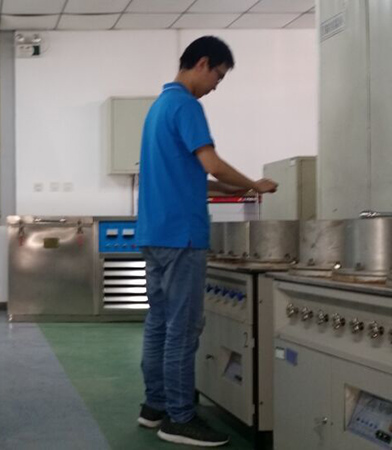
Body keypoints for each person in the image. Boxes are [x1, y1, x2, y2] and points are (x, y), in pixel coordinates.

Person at [134, 36, 278, 447]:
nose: (216, 86)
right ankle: (180, 418)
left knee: (159, 324)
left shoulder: (158, 108)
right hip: (182, 236)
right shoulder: (186, 105)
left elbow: (193, 178)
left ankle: (155, 406)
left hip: (155, 234)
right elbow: (212, 164)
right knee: (182, 329)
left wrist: (240, 187)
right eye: (218, 75)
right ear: (202, 63)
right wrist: (254, 184)